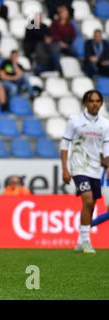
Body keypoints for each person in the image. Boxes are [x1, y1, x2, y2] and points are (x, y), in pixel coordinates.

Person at [60, 90, 109, 254]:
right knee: (87, 200)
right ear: (85, 103)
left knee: (91, 205)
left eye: (97, 101)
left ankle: (81, 240)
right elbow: (64, 144)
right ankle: (87, 240)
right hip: (79, 166)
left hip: (96, 169)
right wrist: (65, 169)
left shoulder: (105, 124)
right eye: (91, 101)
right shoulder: (74, 121)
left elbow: (106, 149)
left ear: (101, 104)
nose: (94, 103)